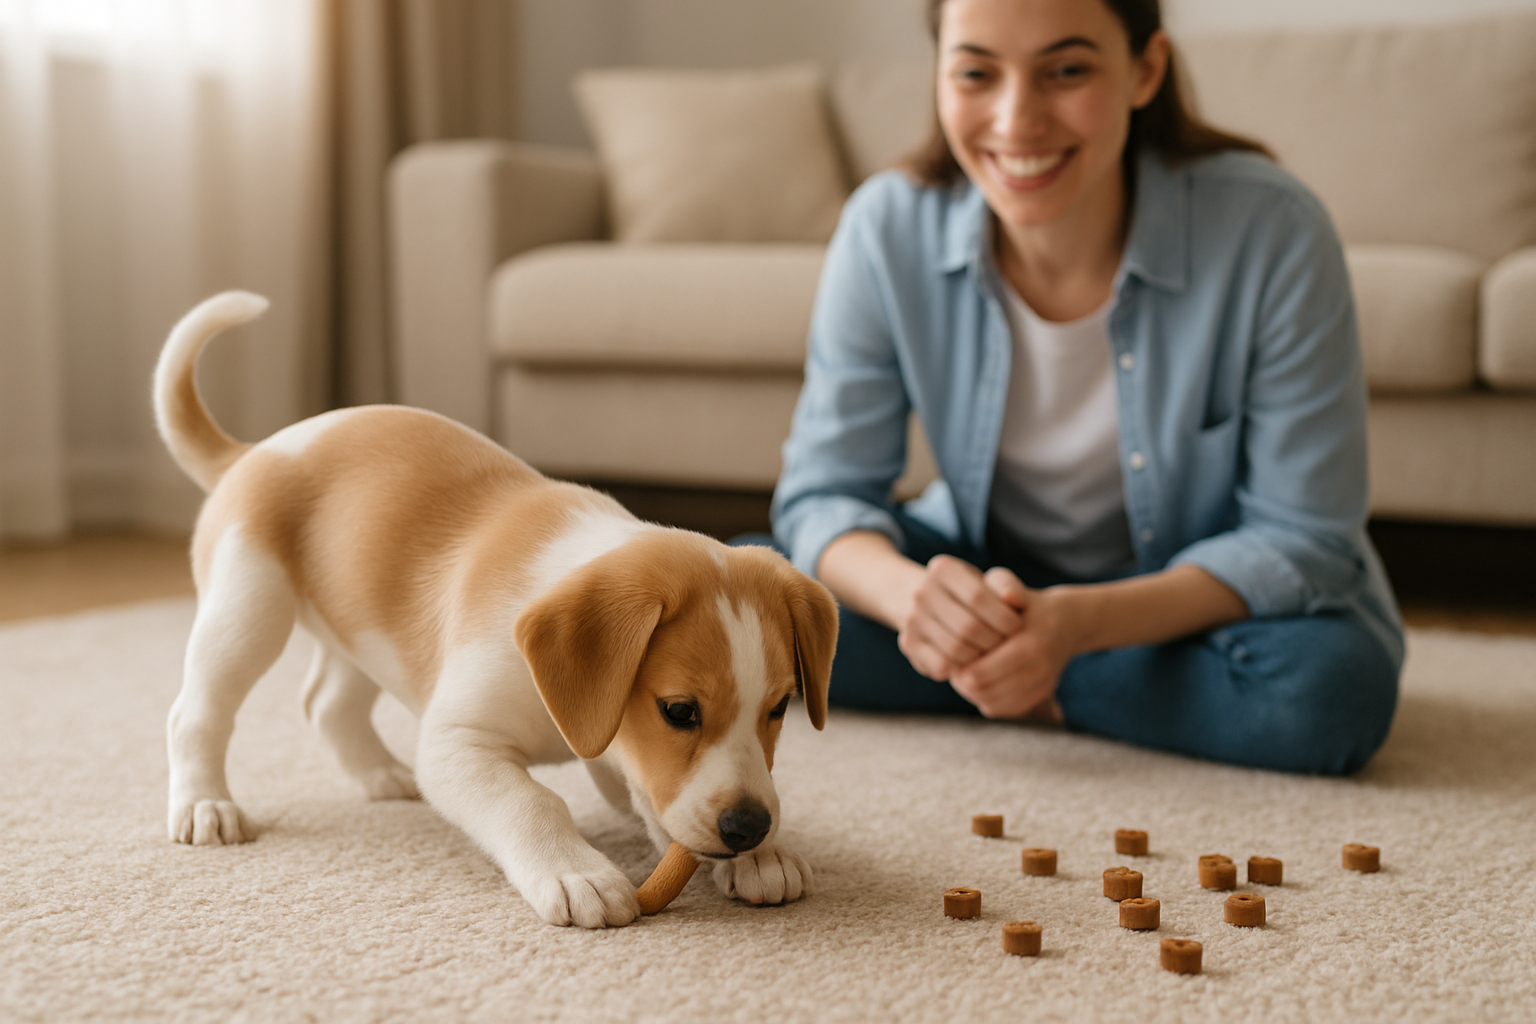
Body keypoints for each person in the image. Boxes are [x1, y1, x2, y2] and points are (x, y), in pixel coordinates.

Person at [764, 0, 1403, 774]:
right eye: (976, 72)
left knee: (1329, 690)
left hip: (1182, 604)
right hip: (989, 573)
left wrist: (1074, 627)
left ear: (1145, 70)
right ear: (938, 72)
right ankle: (1029, 673)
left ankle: (1023, 676)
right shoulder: (884, 228)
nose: (1016, 119)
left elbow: (1306, 540)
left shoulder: (1274, 232)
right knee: (750, 598)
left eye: (1066, 70)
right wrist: (917, 604)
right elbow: (824, 494)